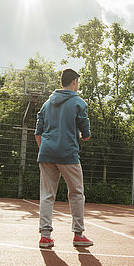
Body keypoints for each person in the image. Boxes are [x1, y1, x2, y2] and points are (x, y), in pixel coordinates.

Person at [35, 68, 93, 248]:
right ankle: (78, 235)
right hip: (67, 154)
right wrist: (84, 133)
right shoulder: (79, 103)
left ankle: (45, 236)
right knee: (76, 193)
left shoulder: (47, 103)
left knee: (47, 195)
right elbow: (86, 135)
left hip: (46, 153)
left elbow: (38, 132)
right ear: (74, 81)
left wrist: (46, 149)